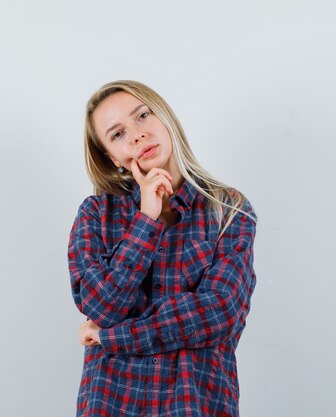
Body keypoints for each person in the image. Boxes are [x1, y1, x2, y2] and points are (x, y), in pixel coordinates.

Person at [67, 80, 258, 417]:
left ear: (165, 119)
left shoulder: (229, 210)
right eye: (117, 134)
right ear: (112, 160)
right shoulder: (96, 214)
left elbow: (219, 313)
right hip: (111, 404)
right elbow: (101, 306)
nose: (137, 134)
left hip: (195, 405)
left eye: (142, 116)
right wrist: (147, 219)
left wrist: (114, 338)